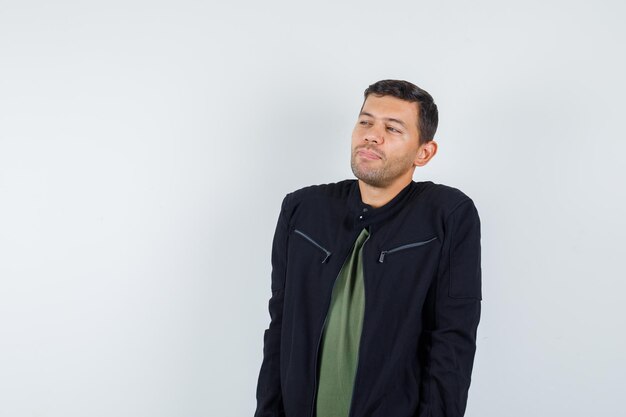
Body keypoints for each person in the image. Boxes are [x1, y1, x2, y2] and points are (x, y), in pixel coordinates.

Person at [254, 79, 482, 417]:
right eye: (365, 121)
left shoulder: (447, 215)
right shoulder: (303, 210)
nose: (372, 135)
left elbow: (451, 342)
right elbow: (280, 329)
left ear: (424, 152)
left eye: (393, 128)